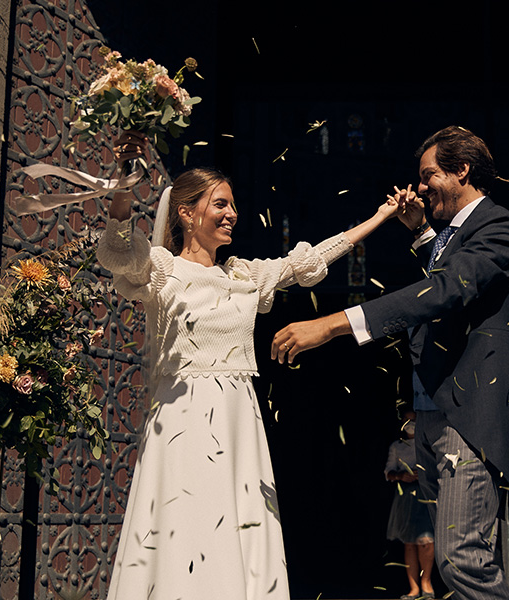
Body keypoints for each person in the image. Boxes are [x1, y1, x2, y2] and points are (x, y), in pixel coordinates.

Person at [96, 131, 399, 600]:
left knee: (233, 516)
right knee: (182, 516)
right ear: (186, 212)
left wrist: (380, 217)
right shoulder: (162, 270)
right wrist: (123, 180)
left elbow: (313, 258)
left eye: (234, 205)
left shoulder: (243, 276)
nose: (232, 214)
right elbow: (118, 247)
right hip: (181, 418)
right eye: (220, 204)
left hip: (238, 418)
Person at [270, 126, 509, 599]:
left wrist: (332, 325)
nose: (422, 185)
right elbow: (448, 271)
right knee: (451, 553)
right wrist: (420, 232)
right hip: (433, 415)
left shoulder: (500, 226)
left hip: (470, 417)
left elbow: (448, 289)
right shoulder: (456, 234)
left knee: (461, 560)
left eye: (429, 175)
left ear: (462, 170)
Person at [384, 410, 436, 600]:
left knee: (427, 540)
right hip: (405, 495)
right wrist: (400, 476)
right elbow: (388, 471)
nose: (410, 424)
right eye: (406, 421)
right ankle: (413, 588)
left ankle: (426, 582)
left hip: (425, 493)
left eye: (413, 421)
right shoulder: (397, 446)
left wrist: (422, 473)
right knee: (409, 543)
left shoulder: (427, 444)